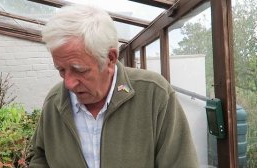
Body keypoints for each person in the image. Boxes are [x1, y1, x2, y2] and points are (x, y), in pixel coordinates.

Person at [29, 4, 199, 168]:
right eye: (61, 70)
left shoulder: (154, 94)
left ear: (110, 58)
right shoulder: (54, 102)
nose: (68, 83)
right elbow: (39, 157)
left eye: (79, 70)